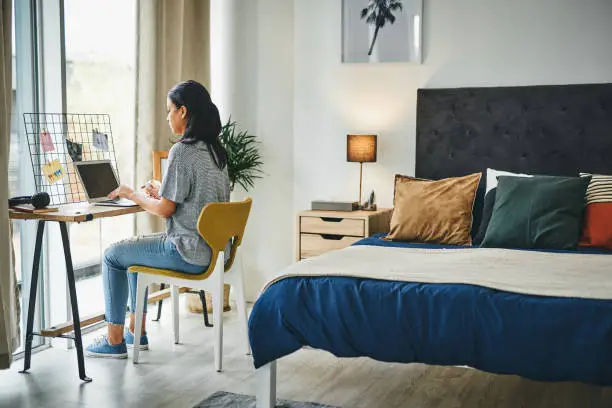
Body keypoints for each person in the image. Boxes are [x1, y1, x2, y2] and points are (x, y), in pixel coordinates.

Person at [86, 80, 230, 358]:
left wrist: (133, 193)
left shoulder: (183, 151)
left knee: (113, 256)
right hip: (212, 251)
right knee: (134, 259)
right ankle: (135, 333)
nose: (167, 117)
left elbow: (165, 210)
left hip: (185, 251)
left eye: (169, 110)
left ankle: (114, 340)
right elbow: (198, 197)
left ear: (183, 112)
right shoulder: (216, 152)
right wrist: (162, 188)